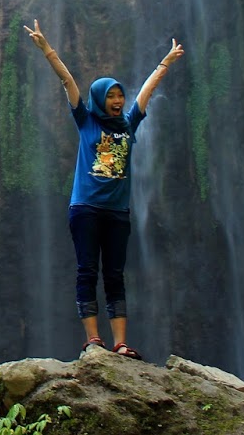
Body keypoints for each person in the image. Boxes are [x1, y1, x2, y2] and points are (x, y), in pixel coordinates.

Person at [24, 18, 183, 360]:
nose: (116, 99)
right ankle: (93, 339)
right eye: (110, 95)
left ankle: (121, 343)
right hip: (85, 209)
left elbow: (147, 91)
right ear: (99, 99)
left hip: (117, 212)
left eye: (119, 94)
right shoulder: (86, 120)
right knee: (87, 270)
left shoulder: (129, 122)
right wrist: (46, 48)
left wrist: (166, 62)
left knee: (114, 274)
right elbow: (67, 80)